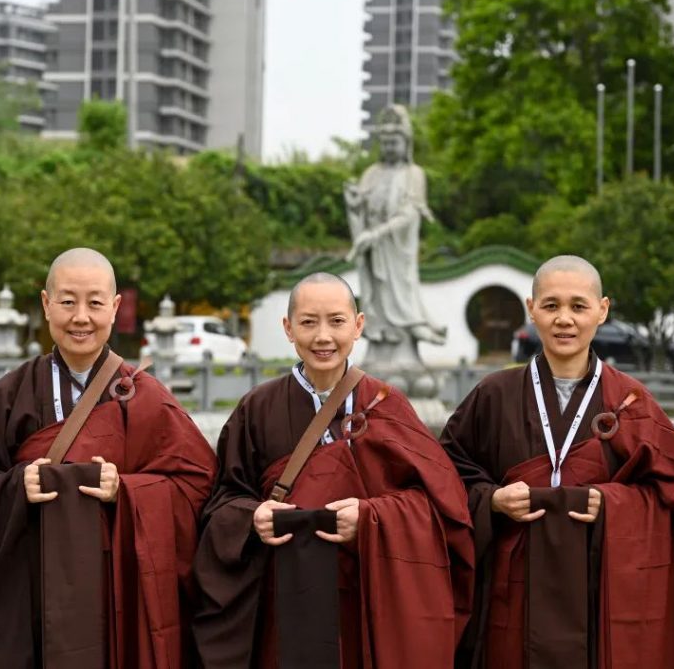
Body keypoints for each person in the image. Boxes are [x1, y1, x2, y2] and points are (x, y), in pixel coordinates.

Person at [0, 248, 217, 669]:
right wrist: (16, 486)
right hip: (34, 589)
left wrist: (125, 490)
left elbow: (197, 485)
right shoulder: (10, 395)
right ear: (45, 304)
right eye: (68, 301)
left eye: (94, 302)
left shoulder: (146, 397)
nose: (81, 317)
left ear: (116, 307)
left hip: (118, 590)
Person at [440, 255, 674, 668]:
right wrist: (491, 500)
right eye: (550, 306)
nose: (564, 319)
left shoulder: (631, 402)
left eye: (578, 306)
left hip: (598, 590)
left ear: (602, 311)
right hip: (513, 593)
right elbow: (442, 478)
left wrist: (613, 504)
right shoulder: (493, 395)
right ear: (531, 309)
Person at [192, 272, 474, 669]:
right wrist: (252, 518)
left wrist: (372, 518)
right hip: (286, 591)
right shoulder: (257, 409)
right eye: (308, 322)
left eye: (337, 321)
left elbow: (440, 508)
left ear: (358, 325)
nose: (323, 336)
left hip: (366, 593)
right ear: (288, 329)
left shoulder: (387, 404)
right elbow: (222, 502)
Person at [344, 104, 445, 352]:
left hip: (397, 248)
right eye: (385, 143)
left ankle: (414, 323)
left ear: (406, 143)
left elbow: (410, 213)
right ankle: (379, 331)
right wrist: (353, 202)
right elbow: (361, 208)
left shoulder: (414, 174)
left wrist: (376, 234)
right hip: (374, 251)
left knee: (402, 285)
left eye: (394, 142)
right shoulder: (371, 173)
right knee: (376, 293)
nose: (389, 148)